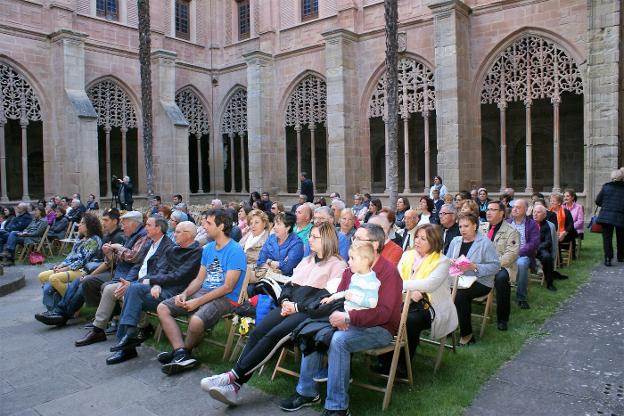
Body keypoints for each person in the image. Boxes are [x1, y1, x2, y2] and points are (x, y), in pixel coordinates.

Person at [202, 222, 348, 406]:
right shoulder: (307, 260)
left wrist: (295, 307)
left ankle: (233, 377)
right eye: (310, 236)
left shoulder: (338, 265)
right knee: (258, 332)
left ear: (327, 240)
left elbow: (325, 298)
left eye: (315, 237)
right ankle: (235, 386)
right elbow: (288, 285)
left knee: (274, 336)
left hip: (307, 314)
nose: (309, 240)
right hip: (289, 306)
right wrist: (285, 301)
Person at [276, 222, 402, 415]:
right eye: (354, 238)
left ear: (375, 245)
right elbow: (341, 295)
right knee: (312, 328)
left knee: (339, 340)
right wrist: (333, 311)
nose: (353, 241)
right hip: (350, 320)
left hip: (381, 329)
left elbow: (384, 313)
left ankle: (337, 407)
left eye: (358, 239)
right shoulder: (353, 266)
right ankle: (307, 392)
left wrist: (349, 318)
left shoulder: (388, 272)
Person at [156, 209, 247, 375]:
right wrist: (184, 294)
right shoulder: (208, 248)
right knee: (163, 308)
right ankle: (181, 353)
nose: (203, 226)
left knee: (196, 321)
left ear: (221, 227)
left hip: (226, 298)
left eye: (208, 223)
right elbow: (199, 280)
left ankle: (183, 353)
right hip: (205, 291)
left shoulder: (235, 250)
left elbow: (228, 287)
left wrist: (197, 302)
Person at [105, 220, 204, 365]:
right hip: (162, 290)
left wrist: (153, 282)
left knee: (133, 290)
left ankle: (127, 344)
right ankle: (129, 340)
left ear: (188, 235)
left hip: (177, 294)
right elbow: (160, 269)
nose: (173, 234)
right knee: (132, 290)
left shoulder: (197, 253)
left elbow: (180, 276)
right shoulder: (173, 249)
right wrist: (156, 282)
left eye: (177, 232)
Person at [35, 211, 145, 326]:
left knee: (82, 281)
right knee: (72, 280)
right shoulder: (114, 236)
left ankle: (65, 314)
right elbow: (110, 260)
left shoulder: (118, 237)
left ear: (115, 221)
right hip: (111, 270)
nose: (103, 223)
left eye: (106, 220)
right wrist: (63, 265)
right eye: (103, 220)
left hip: (115, 273)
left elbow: (122, 260)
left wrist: (88, 273)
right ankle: (59, 312)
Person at [375, 223, 458, 375]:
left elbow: (429, 285)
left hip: (432, 306)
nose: (417, 241)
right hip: (404, 300)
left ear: (434, 242)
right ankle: (384, 360)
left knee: (408, 320)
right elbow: (397, 276)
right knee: (387, 313)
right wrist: (408, 290)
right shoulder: (408, 255)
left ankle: (403, 365)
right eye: (417, 237)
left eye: (423, 239)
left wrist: (402, 285)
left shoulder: (442, 261)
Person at [447, 213, 500, 345]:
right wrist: (450, 262)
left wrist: (474, 267)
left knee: (460, 296)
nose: (462, 229)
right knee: (440, 290)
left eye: (466, 226)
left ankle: (467, 335)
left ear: (475, 226)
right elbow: (446, 259)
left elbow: (495, 266)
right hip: (457, 279)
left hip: (480, 281)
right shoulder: (455, 241)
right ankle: (447, 327)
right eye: (460, 226)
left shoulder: (485, 243)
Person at [482, 201, 520, 330]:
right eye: (488, 209)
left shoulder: (511, 231)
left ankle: (503, 319)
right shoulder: (482, 228)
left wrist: (493, 265)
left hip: (502, 266)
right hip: (481, 265)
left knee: (502, 279)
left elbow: (511, 254)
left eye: (493, 209)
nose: (488, 212)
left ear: (501, 213)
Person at [321, 240, 379, 310]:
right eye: (349, 258)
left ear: (365, 261)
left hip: (356, 317)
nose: (348, 261)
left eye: (352, 258)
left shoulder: (371, 282)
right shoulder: (355, 276)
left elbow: (372, 303)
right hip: (345, 310)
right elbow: (347, 293)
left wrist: (352, 298)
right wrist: (332, 297)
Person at [256, 212, 304, 280]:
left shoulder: (297, 244)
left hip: (284, 282)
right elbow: (260, 260)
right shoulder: (271, 238)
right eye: (275, 224)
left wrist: (269, 261)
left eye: (278, 224)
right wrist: (275, 264)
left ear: (288, 227)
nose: (274, 227)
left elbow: (287, 268)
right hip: (265, 275)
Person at [596, 169, 624, 266]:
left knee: (607, 238)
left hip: (606, 216)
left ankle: (608, 258)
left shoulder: (606, 187)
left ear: (612, 177)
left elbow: (598, 201)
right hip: (621, 216)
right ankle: (620, 256)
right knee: (621, 237)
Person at [238, 209, 269, 283]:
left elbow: (259, 260)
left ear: (264, 223)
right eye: (251, 223)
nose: (253, 226)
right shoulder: (247, 235)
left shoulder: (268, 239)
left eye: (256, 222)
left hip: (253, 274)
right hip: (238, 268)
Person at [532, 205, 558, 290]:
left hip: (541, 249)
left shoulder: (548, 226)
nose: (535, 214)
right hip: (528, 249)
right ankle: (538, 267)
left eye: (538, 212)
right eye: (534, 212)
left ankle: (549, 283)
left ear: (544, 215)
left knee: (547, 257)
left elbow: (548, 241)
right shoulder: (528, 223)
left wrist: (537, 248)